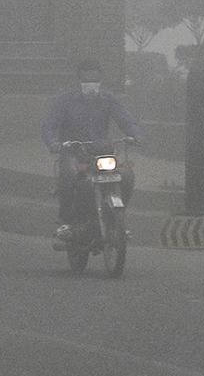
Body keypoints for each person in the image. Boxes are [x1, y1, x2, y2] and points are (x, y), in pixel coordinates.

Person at [41, 59, 142, 240]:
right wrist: (53, 143)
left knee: (126, 175)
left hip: (101, 151)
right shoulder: (65, 100)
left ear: (100, 79)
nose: (91, 84)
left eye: (94, 79)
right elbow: (50, 125)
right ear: (79, 79)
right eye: (87, 79)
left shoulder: (108, 99)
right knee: (70, 175)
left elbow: (125, 119)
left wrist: (134, 134)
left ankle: (117, 218)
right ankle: (66, 222)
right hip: (72, 152)